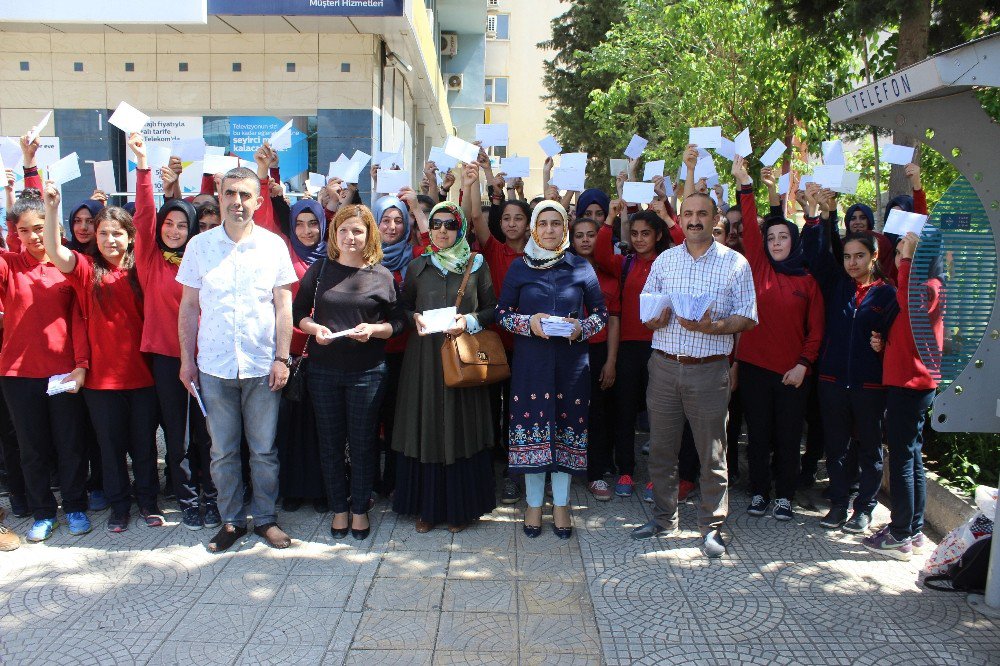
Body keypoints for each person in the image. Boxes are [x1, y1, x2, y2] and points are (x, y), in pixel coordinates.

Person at [177, 166, 298, 552]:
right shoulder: (199, 247)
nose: (238, 202)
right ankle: (231, 521)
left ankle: (264, 519)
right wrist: (186, 360)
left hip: (262, 365)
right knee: (222, 451)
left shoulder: (273, 245)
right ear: (220, 195)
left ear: (258, 201)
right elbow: (189, 308)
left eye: (246, 195)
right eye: (231, 194)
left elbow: (283, 306)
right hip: (214, 366)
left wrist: (283, 357)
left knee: (264, 450)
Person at [631, 188, 757, 559]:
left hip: (708, 369)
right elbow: (648, 310)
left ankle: (712, 526)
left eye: (703, 213)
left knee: (711, 452)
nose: (694, 219)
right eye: (688, 213)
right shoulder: (665, 261)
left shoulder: (735, 264)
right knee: (662, 449)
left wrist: (714, 326)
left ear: (716, 219)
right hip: (665, 365)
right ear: (680, 218)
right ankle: (663, 517)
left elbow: (748, 317)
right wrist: (655, 317)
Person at [42, 183, 162, 535]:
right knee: (110, 451)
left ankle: (148, 502)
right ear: (95, 236)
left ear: (129, 236)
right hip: (101, 383)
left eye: (118, 233)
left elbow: (148, 219)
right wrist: (52, 209)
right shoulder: (84, 270)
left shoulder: (142, 270)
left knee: (144, 448)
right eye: (104, 233)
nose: (111, 239)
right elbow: (54, 249)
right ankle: (120, 508)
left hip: (144, 379)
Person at [294, 205, 405, 540]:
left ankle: (360, 510)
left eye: (357, 230)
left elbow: (399, 322)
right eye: (343, 230)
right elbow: (298, 313)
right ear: (334, 234)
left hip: (367, 373)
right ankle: (338, 509)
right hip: (323, 371)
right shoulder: (319, 270)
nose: (350, 237)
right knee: (329, 443)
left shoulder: (382, 275)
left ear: (369, 233)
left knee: (363, 443)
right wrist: (315, 329)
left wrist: (374, 330)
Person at [497, 200, 607, 539]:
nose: (549, 230)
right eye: (542, 224)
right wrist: (528, 322)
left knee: (565, 431)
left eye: (555, 224)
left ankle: (560, 503)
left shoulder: (581, 267)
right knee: (534, 430)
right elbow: (501, 313)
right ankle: (532, 503)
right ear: (534, 229)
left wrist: (581, 329)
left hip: (572, 366)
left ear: (565, 228)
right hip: (531, 365)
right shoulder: (520, 268)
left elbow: (601, 314)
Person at [127, 133, 219, 531]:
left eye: (183, 224)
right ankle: (187, 497)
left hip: (207, 359)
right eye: (170, 223)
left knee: (208, 434)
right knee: (177, 437)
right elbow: (144, 215)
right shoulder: (150, 261)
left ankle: (212, 495)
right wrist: (143, 165)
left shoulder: (201, 259)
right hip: (166, 360)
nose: (174, 230)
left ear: (192, 229)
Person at [392, 202, 498, 532]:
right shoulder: (417, 266)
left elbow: (493, 309)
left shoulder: (476, 265)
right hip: (423, 360)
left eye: (450, 225)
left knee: (460, 427)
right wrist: (415, 318)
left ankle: (460, 509)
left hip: (462, 357)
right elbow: (404, 307)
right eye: (435, 224)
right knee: (426, 426)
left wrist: (468, 320)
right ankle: (428, 508)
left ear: (460, 228)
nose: (441, 230)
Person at [802, 185, 899, 534]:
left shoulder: (887, 294)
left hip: (869, 385)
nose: (852, 262)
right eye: (847, 257)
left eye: (859, 256)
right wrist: (823, 214)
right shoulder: (837, 286)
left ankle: (864, 508)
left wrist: (883, 344)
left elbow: (899, 339)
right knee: (837, 448)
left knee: (870, 450)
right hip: (831, 382)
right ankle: (839, 504)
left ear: (873, 257)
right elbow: (818, 254)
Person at [731, 159, 824, 522]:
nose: (776, 242)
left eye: (783, 236)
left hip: (792, 373)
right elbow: (752, 231)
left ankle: (784, 495)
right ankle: (759, 492)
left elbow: (816, 330)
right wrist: (746, 186)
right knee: (757, 435)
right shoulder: (757, 266)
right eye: (771, 237)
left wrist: (803, 365)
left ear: (794, 240)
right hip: (755, 368)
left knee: (787, 437)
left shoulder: (807, 280)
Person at [0, 193, 91, 542]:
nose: (33, 236)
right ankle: (42, 512)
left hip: (62, 373)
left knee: (70, 445)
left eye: (40, 228)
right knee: (32, 448)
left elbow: (82, 320)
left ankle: (75, 506)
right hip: (18, 374)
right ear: (16, 233)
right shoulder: (9, 264)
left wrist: (81, 365)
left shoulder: (68, 265)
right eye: (25, 231)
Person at [864, 163, 940, 560]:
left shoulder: (925, 286)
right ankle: (911, 530)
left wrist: (909, 257)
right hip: (909, 377)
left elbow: (909, 301)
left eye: (911, 246)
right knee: (911, 454)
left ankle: (900, 534)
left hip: (910, 383)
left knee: (904, 457)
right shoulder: (923, 283)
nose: (903, 248)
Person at [250, 144, 327, 513]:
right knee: (287, 427)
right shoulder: (281, 249)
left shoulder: (334, 253)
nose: (307, 230)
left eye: (313, 222)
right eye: (300, 222)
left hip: (324, 352)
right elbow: (264, 217)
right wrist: (264, 174)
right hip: (288, 352)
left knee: (318, 427)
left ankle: (320, 487)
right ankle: (293, 489)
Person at [595, 195, 683, 500]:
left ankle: (657, 476)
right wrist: (610, 218)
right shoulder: (626, 262)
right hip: (629, 348)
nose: (639, 239)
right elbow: (600, 253)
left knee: (662, 416)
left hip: (662, 347)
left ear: (658, 235)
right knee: (624, 413)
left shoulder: (673, 261)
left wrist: (669, 216)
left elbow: (690, 242)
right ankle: (626, 471)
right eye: (634, 234)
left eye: (646, 233)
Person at [463, 160, 529, 505]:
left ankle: (513, 474)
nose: (512, 223)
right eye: (506, 218)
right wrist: (471, 181)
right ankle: (487, 469)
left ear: (529, 224)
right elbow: (475, 219)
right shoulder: (494, 249)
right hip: (491, 343)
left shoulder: (539, 256)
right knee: (489, 408)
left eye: (518, 218)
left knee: (518, 412)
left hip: (527, 348)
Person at [570, 217, 620, 501]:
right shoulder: (562, 270)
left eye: (592, 235)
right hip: (568, 350)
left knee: (597, 414)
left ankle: (596, 474)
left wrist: (610, 361)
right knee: (565, 411)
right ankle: (562, 469)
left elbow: (613, 321)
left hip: (599, 351)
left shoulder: (610, 275)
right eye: (580, 235)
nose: (586, 240)